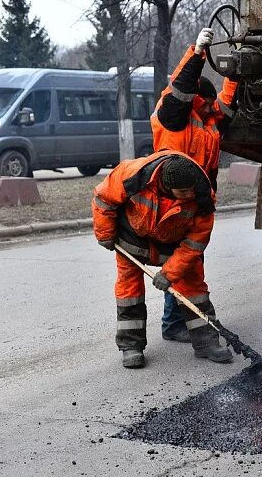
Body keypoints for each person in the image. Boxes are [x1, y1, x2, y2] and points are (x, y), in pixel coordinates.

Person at [92, 150, 233, 368]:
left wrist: (169, 274)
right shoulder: (133, 175)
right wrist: (105, 234)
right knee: (129, 292)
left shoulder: (202, 197)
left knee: (194, 289)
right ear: (166, 184)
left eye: (191, 190)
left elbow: (195, 244)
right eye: (183, 191)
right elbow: (103, 199)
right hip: (132, 239)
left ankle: (207, 343)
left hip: (175, 245)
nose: (189, 194)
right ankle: (131, 347)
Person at [151, 27, 240, 343]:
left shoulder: (207, 121)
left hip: (196, 201)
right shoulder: (172, 115)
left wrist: (236, 69)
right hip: (171, 200)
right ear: (196, 99)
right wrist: (198, 52)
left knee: (187, 260)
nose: (211, 106)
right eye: (206, 102)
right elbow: (181, 85)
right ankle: (175, 325)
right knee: (182, 262)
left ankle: (175, 322)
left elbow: (227, 105)